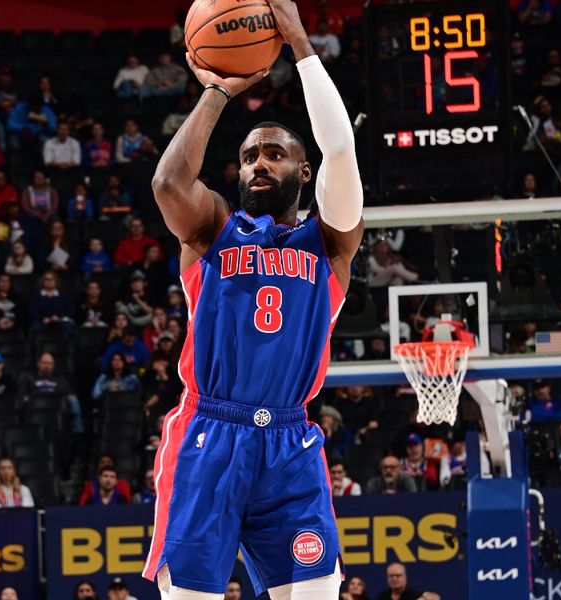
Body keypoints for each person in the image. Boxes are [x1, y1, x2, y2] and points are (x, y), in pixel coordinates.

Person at [142, 2, 363, 596]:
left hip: (290, 441)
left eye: (274, 153)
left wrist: (297, 40)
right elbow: (167, 185)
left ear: (304, 170)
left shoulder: (332, 241)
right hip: (207, 435)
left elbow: (343, 154)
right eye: (247, 157)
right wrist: (216, 91)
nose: (258, 163)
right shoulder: (214, 227)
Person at [17, 352, 82, 434]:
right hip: (37, 410)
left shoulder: (60, 380)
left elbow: (71, 394)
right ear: (38, 364)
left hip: (56, 410)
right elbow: (22, 396)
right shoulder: (30, 378)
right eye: (45, 363)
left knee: (73, 401)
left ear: (53, 366)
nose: (47, 366)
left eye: (50, 364)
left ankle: (77, 433)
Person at [375, 563, 440, 600]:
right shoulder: (382, 597)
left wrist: (425, 597)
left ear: (405, 577)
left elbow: (436, 598)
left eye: (398, 575)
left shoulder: (414, 594)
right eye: (391, 576)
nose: (394, 579)